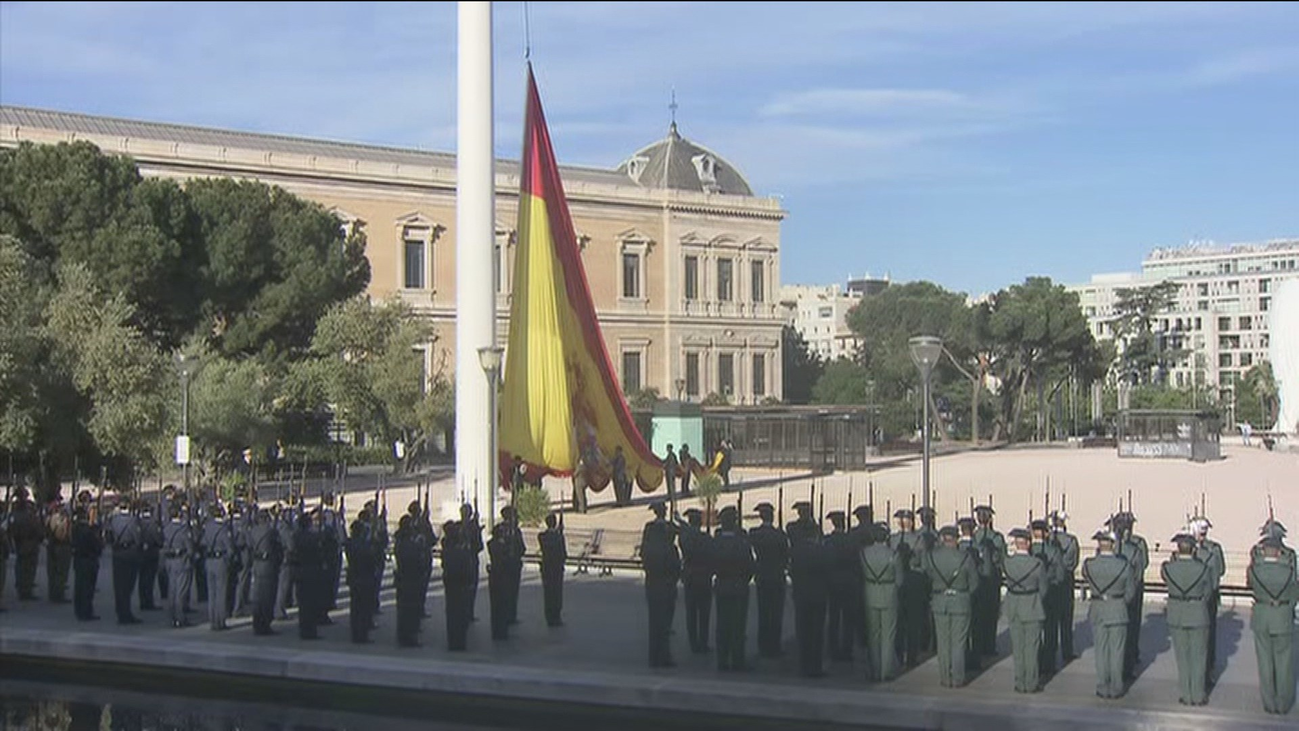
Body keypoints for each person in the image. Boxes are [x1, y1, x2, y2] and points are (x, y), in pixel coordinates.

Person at [1083, 527, 1137, 699]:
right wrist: (1120, 602)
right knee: (1117, 650)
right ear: (1113, 545)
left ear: (1099, 545)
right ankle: (1116, 685)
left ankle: (1102, 685)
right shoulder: (1124, 565)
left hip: (1098, 608)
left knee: (1101, 650)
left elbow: (1086, 576)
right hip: (1117, 607)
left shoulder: (1089, 564)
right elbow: (1130, 592)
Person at [1248, 535, 1298, 715]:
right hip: (1282, 616)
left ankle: (1269, 703)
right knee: (1284, 663)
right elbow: (1295, 594)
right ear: (1279, 551)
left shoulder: (1255, 570)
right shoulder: (1289, 571)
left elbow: (1251, 584)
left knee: (1265, 663)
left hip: (1262, 615)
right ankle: (1283, 704)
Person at [925, 525, 980, 688]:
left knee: (942, 642)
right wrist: (964, 593)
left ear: (942, 539)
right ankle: (957, 677)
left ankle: (944, 677)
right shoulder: (965, 557)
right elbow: (974, 583)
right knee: (958, 642)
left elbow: (928, 576)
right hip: (960, 600)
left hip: (940, 600)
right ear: (956, 540)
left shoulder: (931, 556)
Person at [1162, 532, 1212, 706]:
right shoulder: (1203, 568)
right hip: (1197, 611)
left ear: (1177, 549)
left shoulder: (1168, 568)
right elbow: (1208, 590)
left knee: (1182, 656)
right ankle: (1198, 694)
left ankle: (1185, 693)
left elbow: (1165, 578)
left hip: (1177, 612)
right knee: (1198, 656)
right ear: (1194, 550)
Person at [1003, 527, 1048, 693]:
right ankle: (1031, 682)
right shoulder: (1037, 564)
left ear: (1015, 543)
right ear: (1028, 543)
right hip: (1032, 605)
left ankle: (1019, 681)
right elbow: (1043, 588)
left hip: (1014, 605)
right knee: (1032, 647)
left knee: (1018, 647)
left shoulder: (1007, 562)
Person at [786, 498, 829, 677]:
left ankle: (804, 665)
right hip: (818, 595)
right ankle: (816, 667)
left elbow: (792, 571)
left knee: (802, 631)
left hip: (801, 594)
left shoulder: (795, 550)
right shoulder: (821, 551)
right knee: (817, 632)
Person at [711, 505, 754, 672]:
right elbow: (749, 566)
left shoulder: (716, 543)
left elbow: (711, 564)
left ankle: (722, 660)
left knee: (722, 624)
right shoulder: (741, 544)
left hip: (722, 586)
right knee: (738, 626)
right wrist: (743, 580)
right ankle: (737, 660)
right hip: (738, 587)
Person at [860, 521, 902, 682]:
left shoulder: (864, 553)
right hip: (889, 593)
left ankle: (875, 670)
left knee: (873, 634)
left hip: (870, 592)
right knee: (888, 634)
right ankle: (886, 670)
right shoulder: (893, 554)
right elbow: (899, 580)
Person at [641, 501, 681, 668]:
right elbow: (676, 566)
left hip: (652, 583)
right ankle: (664, 655)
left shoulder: (649, 532)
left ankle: (653, 656)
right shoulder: (669, 543)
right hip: (667, 584)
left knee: (654, 621)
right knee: (665, 623)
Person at [1111, 511, 1149, 682]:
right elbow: (1143, 565)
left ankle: (1127, 658)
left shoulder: (1112, 544)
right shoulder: (1138, 544)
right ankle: (1129, 660)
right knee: (1132, 626)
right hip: (1133, 587)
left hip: (1117, 590)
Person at [749, 502, 789, 659]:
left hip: (762, 577)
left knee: (764, 612)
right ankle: (775, 645)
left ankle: (763, 645)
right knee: (776, 613)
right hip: (777, 576)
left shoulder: (755, 533)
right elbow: (786, 556)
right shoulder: (780, 535)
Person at [890, 508, 929, 667]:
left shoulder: (893, 540)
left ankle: (899, 654)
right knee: (913, 623)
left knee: (899, 622)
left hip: (897, 583)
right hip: (914, 581)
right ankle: (911, 657)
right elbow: (924, 564)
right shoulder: (919, 540)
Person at [1190, 516, 1225, 684]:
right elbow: (1221, 570)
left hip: (1196, 599)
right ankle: (1206, 670)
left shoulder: (1189, 549)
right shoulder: (1214, 549)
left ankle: (1200, 671)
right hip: (1208, 598)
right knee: (1208, 635)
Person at [1030, 519, 1065, 676]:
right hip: (1051, 592)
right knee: (1050, 630)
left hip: (1032, 593)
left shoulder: (1028, 550)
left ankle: (1034, 661)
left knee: (1032, 632)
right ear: (1046, 533)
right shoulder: (1054, 551)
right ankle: (1048, 663)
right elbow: (1061, 575)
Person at [678, 507, 714, 654]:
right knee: (704, 614)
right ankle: (703, 643)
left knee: (691, 613)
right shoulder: (706, 538)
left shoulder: (685, 538)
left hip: (690, 577)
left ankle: (693, 644)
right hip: (704, 578)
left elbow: (685, 540)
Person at [972, 505, 1005, 658]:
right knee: (991, 615)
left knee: (978, 616)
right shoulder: (997, 537)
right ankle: (989, 646)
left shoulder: (973, 537)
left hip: (977, 579)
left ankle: (978, 645)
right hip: (992, 580)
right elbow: (1001, 558)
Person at [103, 497, 143, 624]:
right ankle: (126, 613)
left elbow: (108, 536)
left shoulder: (113, 520)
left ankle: (120, 611)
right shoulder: (132, 521)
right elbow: (137, 538)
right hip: (129, 553)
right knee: (128, 585)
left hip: (117, 553)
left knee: (119, 585)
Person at [487, 507, 524, 641]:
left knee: (509, 593)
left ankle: (509, 615)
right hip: (508, 567)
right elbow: (520, 548)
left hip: (508, 567)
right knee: (510, 593)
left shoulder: (510, 530)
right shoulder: (512, 532)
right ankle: (509, 616)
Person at [824, 510, 857, 662]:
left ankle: (833, 649)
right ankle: (847, 650)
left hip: (832, 582)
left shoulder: (829, 540)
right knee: (849, 619)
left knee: (834, 618)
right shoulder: (851, 540)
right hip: (849, 582)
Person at [1049, 510, 1079, 664]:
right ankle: (1067, 651)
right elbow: (1073, 562)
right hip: (1066, 581)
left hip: (1051, 583)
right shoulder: (1071, 540)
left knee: (1051, 621)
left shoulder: (1048, 540)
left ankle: (1050, 651)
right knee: (1066, 619)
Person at [248, 507, 281, 636]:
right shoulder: (271, 531)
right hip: (268, 565)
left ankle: (257, 622)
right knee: (267, 596)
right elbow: (278, 547)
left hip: (257, 564)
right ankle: (265, 624)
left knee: (258, 596)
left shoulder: (253, 531)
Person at [441, 520, 474, 651]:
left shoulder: (448, 550)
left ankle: (453, 641)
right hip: (460, 585)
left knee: (452, 613)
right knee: (459, 614)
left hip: (451, 584)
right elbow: (467, 569)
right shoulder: (461, 552)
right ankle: (459, 641)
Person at [346, 510, 378, 643]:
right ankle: (361, 634)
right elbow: (371, 560)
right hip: (364, 578)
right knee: (363, 608)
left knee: (355, 608)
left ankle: (356, 633)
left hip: (354, 577)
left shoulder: (350, 543)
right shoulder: (363, 546)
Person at [394, 513, 424, 647]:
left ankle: (405, 635)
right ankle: (408, 636)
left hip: (404, 579)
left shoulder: (402, 542)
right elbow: (417, 561)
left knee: (404, 610)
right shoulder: (409, 545)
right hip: (410, 580)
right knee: (409, 610)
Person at [202, 502, 234, 631]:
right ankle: (220, 621)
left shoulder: (207, 527)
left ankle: (212, 620)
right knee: (221, 592)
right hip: (220, 560)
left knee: (212, 593)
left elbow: (203, 542)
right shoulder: (223, 528)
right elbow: (230, 549)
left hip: (209, 561)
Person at [161, 504, 193, 628]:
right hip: (181, 561)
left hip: (170, 561)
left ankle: (172, 616)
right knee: (181, 591)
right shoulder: (183, 529)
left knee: (172, 590)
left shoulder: (167, 528)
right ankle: (180, 618)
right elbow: (189, 548)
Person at [293, 511, 322, 640]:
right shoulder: (312, 538)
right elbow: (319, 554)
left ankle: (303, 629)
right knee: (310, 604)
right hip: (311, 572)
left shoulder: (296, 536)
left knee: (303, 604)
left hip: (300, 572)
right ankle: (310, 631)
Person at [9, 487, 43, 601]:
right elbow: (32, 524)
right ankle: (24, 590)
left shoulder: (22, 510)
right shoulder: (20, 511)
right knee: (26, 567)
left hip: (28, 541)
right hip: (26, 541)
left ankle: (24, 588)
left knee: (26, 566)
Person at [71, 507, 103, 621]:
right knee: (88, 588)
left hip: (78, 559)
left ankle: (79, 610)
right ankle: (86, 611)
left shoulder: (75, 528)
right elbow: (97, 546)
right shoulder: (89, 531)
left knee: (79, 586)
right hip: (89, 560)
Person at [538, 512, 567, 627]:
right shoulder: (558, 537)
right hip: (556, 568)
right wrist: (558, 533)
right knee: (557, 592)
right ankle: (556, 616)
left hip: (546, 568)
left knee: (548, 593)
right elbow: (563, 553)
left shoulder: (542, 536)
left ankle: (549, 616)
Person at [457, 503, 484, 622]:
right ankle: (466, 612)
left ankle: (468, 612)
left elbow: (479, 546)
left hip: (470, 560)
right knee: (467, 588)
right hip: (467, 561)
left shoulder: (468, 527)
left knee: (470, 589)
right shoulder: (460, 527)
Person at [44, 496, 73, 604]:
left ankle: (52, 593)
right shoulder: (63, 518)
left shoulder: (48, 518)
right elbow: (66, 533)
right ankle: (59, 594)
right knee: (61, 572)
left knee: (52, 572)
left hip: (51, 546)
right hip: (62, 546)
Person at [137, 503, 161, 612]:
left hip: (141, 552)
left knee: (142, 578)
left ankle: (143, 600)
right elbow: (156, 537)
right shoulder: (152, 523)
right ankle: (148, 601)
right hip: (151, 551)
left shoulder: (139, 522)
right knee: (149, 578)